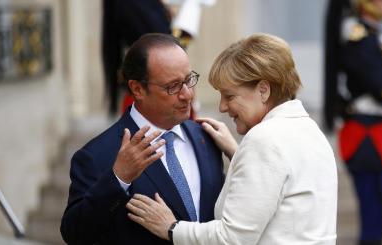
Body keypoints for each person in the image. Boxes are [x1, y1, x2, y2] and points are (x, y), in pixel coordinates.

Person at [126, 33, 338, 244]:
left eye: (229, 96)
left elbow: (232, 238)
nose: (222, 107)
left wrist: (172, 229)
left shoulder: (264, 140)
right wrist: (237, 154)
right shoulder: (308, 130)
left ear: (263, 90)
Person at [61, 33, 225, 244]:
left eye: (189, 80)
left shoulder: (206, 137)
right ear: (137, 89)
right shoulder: (97, 156)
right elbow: (75, 234)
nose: (188, 95)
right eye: (173, 86)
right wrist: (118, 178)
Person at [323, 0, 382, 244]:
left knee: (381, 213)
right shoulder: (359, 38)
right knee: (374, 215)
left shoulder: (374, 37)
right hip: (367, 136)